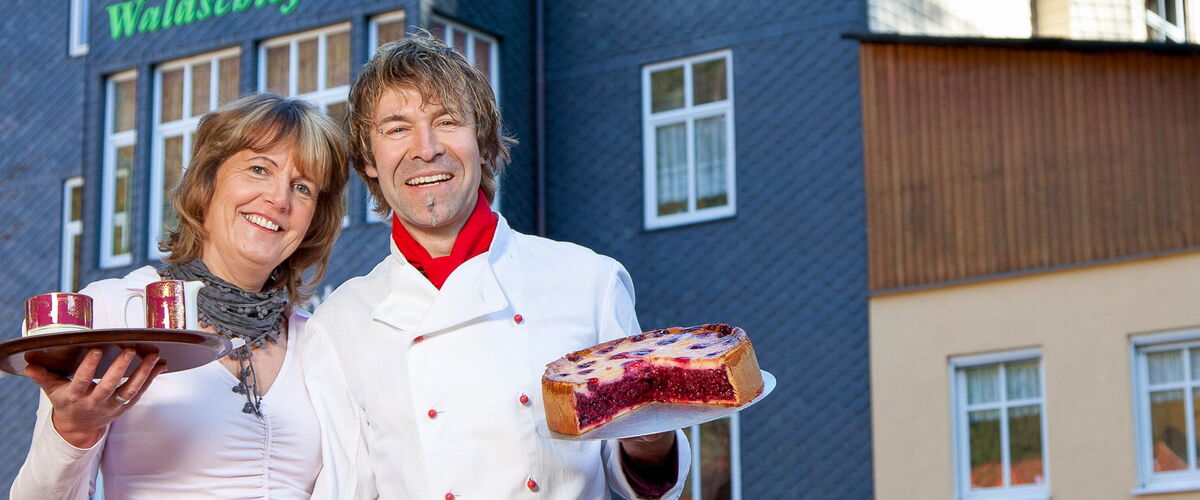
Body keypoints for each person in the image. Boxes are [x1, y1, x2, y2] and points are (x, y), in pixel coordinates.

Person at [302, 34, 690, 499]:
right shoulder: (340, 322)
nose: (426, 148)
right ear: (368, 160)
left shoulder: (589, 282)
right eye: (396, 128)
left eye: (446, 121)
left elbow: (640, 479)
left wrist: (651, 438)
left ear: (484, 145)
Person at [11, 93, 349, 499]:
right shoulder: (115, 309)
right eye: (259, 169)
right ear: (207, 183)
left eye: (303, 187)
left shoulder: (320, 342)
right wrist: (72, 431)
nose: (280, 199)